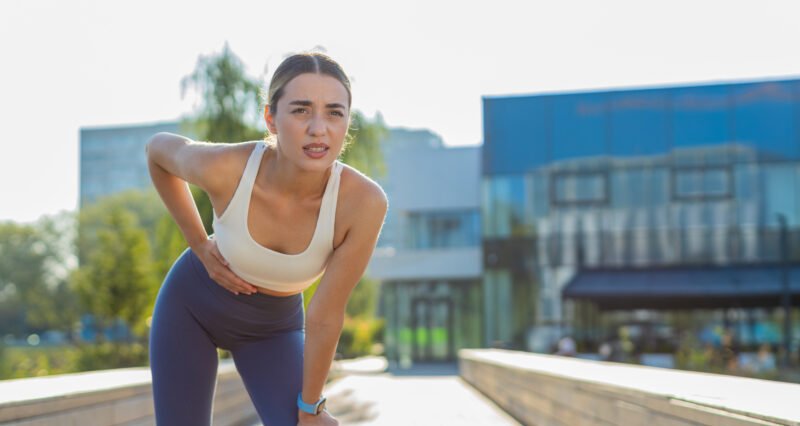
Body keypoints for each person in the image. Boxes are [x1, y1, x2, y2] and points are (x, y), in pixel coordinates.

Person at [146, 52, 388, 426]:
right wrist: (198, 243)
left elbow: (325, 316)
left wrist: (311, 409)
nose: (318, 128)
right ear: (271, 119)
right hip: (190, 307)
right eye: (301, 110)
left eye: (334, 113)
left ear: (347, 123)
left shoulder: (363, 203)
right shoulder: (229, 168)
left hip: (272, 329)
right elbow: (158, 150)